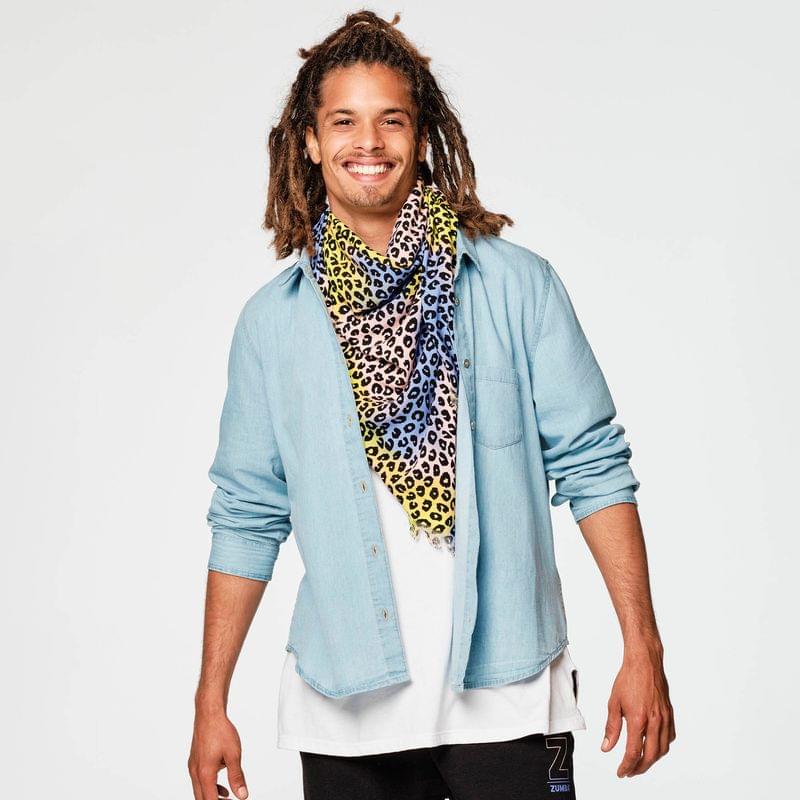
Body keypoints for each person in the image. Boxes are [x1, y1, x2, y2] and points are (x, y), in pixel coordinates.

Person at [187, 10, 676, 800]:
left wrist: (642, 646)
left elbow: (594, 465)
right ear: (308, 141)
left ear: (420, 138)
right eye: (343, 121)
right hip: (345, 707)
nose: (368, 142)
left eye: (391, 120)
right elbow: (247, 513)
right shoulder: (273, 325)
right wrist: (210, 702)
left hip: (512, 696)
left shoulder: (515, 286)